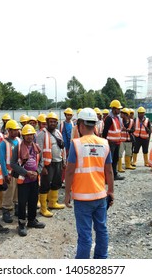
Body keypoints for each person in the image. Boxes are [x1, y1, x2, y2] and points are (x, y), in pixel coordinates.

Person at [64, 108, 114, 259]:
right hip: (100, 196)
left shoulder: (76, 144)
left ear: (80, 124)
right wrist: (110, 191)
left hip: (82, 198)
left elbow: (70, 171)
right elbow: (109, 171)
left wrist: (67, 194)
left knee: (85, 235)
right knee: (102, 230)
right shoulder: (104, 143)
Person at [10, 124, 46, 236]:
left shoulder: (36, 147)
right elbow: (13, 163)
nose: (29, 137)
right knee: (22, 202)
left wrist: (37, 172)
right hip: (23, 180)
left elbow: (41, 162)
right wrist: (26, 173)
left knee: (33, 200)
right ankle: (21, 224)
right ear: (23, 136)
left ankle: (32, 220)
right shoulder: (18, 147)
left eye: (31, 134)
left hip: (34, 179)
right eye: (27, 135)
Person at [36, 112, 66, 217]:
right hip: (47, 164)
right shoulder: (41, 134)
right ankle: (43, 208)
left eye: (54, 122)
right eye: (50, 121)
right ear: (47, 122)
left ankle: (52, 203)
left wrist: (64, 161)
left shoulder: (58, 133)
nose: (52, 123)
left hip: (58, 161)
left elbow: (63, 147)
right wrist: (42, 166)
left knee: (56, 183)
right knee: (45, 185)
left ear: (57, 123)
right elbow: (38, 152)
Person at [0, 119, 21, 223]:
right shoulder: (4, 143)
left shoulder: (19, 141)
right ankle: (6, 210)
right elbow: (2, 160)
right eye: (13, 130)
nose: (16, 132)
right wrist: (4, 174)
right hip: (9, 171)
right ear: (9, 130)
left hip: (18, 171)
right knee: (8, 191)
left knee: (17, 190)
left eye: (17, 130)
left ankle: (17, 207)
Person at [102, 99, 125, 180]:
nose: (119, 110)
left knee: (115, 159)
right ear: (114, 109)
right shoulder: (109, 118)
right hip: (110, 143)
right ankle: (107, 176)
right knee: (109, 160)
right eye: (118, 109)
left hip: (117, 142)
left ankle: (114, 174)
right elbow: (105, 131)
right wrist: (105, 142)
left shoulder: (117, 118)